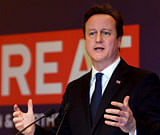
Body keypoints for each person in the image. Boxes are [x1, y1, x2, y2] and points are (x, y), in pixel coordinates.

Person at [13, 4, 160, 135]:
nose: (98, 39)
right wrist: (33, 131)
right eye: (92, 33)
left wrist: (133, 127)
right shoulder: (74, 89)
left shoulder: (143, 81)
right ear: (85, 41)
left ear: (119, 40)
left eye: (106, 33)